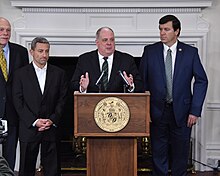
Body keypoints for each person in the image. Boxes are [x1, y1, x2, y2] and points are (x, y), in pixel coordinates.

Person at [139, 15, 208, 176]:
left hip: (183, 113)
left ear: (177, 31)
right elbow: (143, 82)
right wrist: (145, 111)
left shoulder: (190, 52)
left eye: (166, 29)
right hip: (156, 112)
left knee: (180, 154)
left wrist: (195, 110)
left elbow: (201, 81)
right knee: (158, 152)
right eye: (160, 29)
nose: (162, 33)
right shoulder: (150, 51)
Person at [12, 37, 68, 176]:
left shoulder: (59, 74)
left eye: (47, 51)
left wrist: (52, 120)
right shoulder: (20, 74)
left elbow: (62, 100)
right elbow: (18, 102)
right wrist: (35, 121)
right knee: (26, 169)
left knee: (53, 170)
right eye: (40, 51)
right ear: (32, 52)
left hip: (51, 128)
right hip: (29, 128)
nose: (44, 55)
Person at [71, 26, 143, 93]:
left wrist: (131, 86)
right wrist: (82, 88)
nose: (109, 43)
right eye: (105, 40)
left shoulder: (127, 60)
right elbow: (73, 85)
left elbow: (140, 85)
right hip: (92, 104)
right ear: (97, 43)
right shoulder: (85, 60)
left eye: (112, 40)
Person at [0, 17, 29, 171]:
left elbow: (25, 83)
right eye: (1, 30)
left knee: (9, 156)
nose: (5, 33)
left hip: (13, 112)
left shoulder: (21, 52)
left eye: (8, 30)